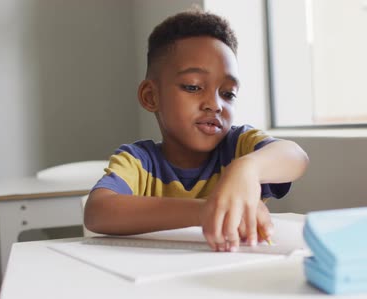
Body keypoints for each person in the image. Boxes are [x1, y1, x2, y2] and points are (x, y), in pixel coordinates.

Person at [83, 9, 309, 252]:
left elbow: (296, 157)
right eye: (193, 87)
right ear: (151, 97)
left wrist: (247, 168)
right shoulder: (139, 161)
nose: (215, 104)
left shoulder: (239, 147)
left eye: (228, 93)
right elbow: (98, 212)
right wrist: (207, 210)